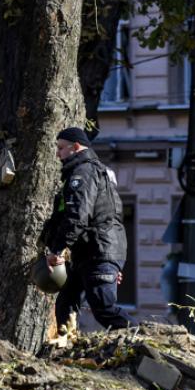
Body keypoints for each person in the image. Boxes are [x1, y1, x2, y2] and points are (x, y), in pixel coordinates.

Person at [43, 127, 134, 331]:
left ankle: (143, 339)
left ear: (75, 147)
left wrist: (57, 250)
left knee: (104, 308)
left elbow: (77, 217)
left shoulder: (83, 173)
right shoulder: (92, 172)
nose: (57, 154)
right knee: (65, 305)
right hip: (88, 252)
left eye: (61, 148)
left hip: (97, 251)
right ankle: (64, 345)